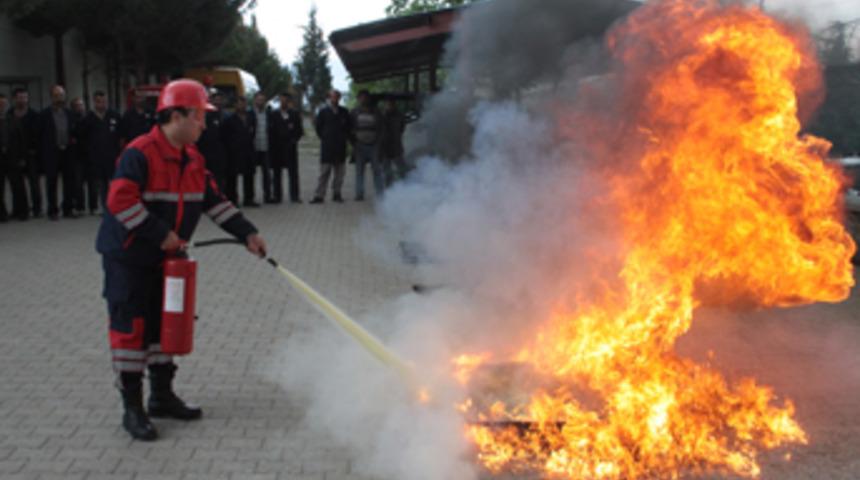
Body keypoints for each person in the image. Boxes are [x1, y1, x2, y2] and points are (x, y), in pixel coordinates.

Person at [95, 79, 267, 441]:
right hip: (129, 259)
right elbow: (120, 202)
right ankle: (132, 408)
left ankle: (161, 396)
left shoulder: (193, 159)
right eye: (199, 116)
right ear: (175, 115)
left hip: (167, 259)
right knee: (132, 330)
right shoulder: (140, 154)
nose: (204, 124)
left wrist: (247, 233)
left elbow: (214, 202)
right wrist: (161, 234)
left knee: (164, 326)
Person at [39, 85, 78, 220]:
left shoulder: (70, 114)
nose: (59, 98)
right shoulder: (44, 115)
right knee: (51, 182)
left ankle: (68, 208)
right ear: (51, 97)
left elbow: (75, 132)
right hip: (52, 152)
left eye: (61, 95)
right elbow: (40, 135)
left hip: (68, 151)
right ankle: (53, 210)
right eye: (56, 95)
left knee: (69, 181)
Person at [81, 91, 122, 212]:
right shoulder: (88, 119)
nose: (102, 104)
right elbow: (84, 138)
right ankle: (105, 206)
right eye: (99, 101)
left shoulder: (114, 116)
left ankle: (117, 205)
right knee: (101, 183)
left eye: (104, 101)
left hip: (112, 155)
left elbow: (121, 135)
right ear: (94, 102)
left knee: (115, 182)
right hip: (96, 157)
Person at [310, 90, 351, 204]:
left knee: (339, 174)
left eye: (337, 97)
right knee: (324, 173)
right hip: (327, 147)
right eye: (332, 97)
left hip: (340, 148)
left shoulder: (344, 112)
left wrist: (344, 138)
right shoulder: (323, 112)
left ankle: (337, 194)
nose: (334, 99)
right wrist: (325, 137)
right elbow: (318, 128)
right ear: (329, 98)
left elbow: (348, 128)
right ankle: (319, 195)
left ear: (339, 98)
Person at [9, 88, 41, 218]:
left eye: (24, 97)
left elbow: (39, 135)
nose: (22, 100)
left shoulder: (34, 115)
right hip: (15, 155)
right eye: (20, 97)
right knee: (17, 184)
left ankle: (37, 209)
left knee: (34, 184)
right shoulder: (9, 115)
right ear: (14, 99)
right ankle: (21, 209)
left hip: (31, 154)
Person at [268, 92, 304, 203]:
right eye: (281, 100)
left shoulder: (294, 114)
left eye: (285, 100)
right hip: (277, 148)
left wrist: (294, 140)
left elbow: (299, 130)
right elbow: (270, 131)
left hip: (290, 147)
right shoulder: (273, 114)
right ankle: (277, 196)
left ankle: (294, 196)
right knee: (277, 173)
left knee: (293, 173)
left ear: (289, 101)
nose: (283, 102)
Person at [222, 95, 256, 206]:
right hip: (234, 152)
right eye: (240, 103)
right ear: (235, 105)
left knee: (249, 176)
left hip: (248, 151)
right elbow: (224, 136)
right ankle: (232, 199)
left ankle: (249, 199)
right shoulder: (229, 119)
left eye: (244, 103)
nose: (242, 105)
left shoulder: (251, 117)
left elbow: (253, 132)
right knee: (232, 177)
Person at [350, 90, 383, 201]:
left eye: (365, 97)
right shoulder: (354, 112)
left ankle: (380, 193)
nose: (364, 99)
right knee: (359, 172)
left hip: (374, 145)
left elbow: (381, 129)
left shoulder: (376, 112)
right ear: (358, 99)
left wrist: (378, 143)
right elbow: (349, 129)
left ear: (369, 99)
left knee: (376, 171)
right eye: (361, 97)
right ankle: (359, 194)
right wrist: (353, 143)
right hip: (359, 146)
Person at [195, 90, 228, 192]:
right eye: (216, 100)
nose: (218, 102)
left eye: (220, 100)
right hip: (207, 154)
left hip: (222, 154)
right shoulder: (206, 116)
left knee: (221, 180)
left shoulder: (227, 117)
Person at [379, 99, 409, 186]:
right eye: (388, 105)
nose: (390, 106)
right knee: (386, 170)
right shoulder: (382, 116)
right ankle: (389, 188)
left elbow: (402, 128)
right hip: (385, 146)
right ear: (386, 106)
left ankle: (405, 186)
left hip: (396, 145)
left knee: (401, 168)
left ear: (394, 105)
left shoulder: (399, 115)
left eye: (391, 104)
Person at [250, 92, 271, 205]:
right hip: (254, 148)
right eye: (259, 100)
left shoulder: (268, 114)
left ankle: (267, 196)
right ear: (255, 101)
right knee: (251, 173)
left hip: (265, 148)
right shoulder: (250, 114)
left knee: (267, 174)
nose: (260, 102)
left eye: (263, 100)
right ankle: (251, 197)